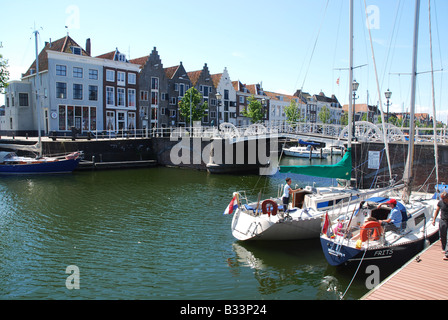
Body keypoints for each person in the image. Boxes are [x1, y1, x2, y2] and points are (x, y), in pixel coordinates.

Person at [433, 192, 448, 260]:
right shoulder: (440, 203)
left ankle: (447, 254)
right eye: (442, 198)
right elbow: (437, 210)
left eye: (444, 198)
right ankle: (444, 248)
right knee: (442, 235)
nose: (442, 199)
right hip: (443, 220)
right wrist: (434, 219)